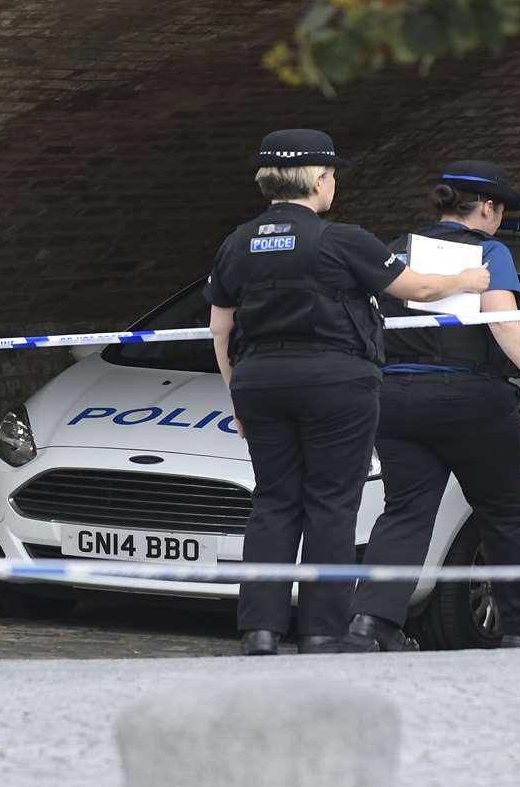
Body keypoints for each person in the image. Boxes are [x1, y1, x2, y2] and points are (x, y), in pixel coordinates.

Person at [206, 130, 489, 657]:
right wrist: (470, 279)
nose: (333, 184)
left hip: (260, 381)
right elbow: (417, 289)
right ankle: (321, 631)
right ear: (317, 180)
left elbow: (221, 329)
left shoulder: (236, 242)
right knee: (331, 504)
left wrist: (237, 397)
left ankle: (260, 631)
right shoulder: (342, 239)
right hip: (336, 382)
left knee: (272, 503)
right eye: (332, 175)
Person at [344, 162, 520, 652]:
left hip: (396, 398)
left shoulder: (394, 251)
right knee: (504, 512)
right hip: (471, 399)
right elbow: (503, 321)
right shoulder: (488, 250)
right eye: (499, 210)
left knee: (405, 512)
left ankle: (372, 623)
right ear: (488, 208)